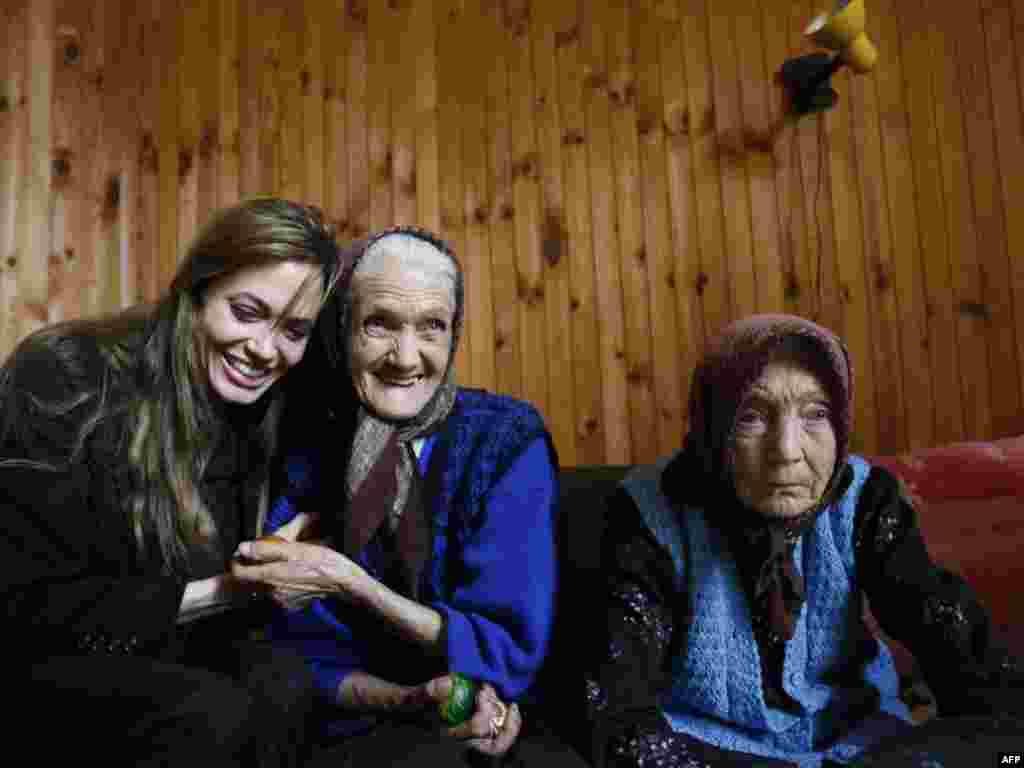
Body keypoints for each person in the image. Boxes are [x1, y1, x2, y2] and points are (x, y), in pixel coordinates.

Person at [582, 314, 1024, 767]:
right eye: (751, 416)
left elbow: (962, 649)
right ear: (712, 426)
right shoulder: (650, 514)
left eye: (816, 415)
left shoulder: (864, 501)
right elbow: (616, 708)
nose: (788, 451)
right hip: (705, 754)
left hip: (861, 747)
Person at [1, 198, 343, 767]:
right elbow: (28, 604)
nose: (263, 349)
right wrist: (233, 589)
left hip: (156, 652)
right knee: (208, 711)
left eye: (293, 330)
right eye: (247, 310)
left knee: (283, 682)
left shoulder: (267, 409)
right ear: (198, 289)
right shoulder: (65, 376)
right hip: (33, 659)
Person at [231, 226, 589, 767]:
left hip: (476, 719)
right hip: (346, 712)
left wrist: (348, 581)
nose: (406, 356)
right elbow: (292, 647)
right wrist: (406, 701)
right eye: (380, 324)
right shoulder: (306, 445)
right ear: (343, 328)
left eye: (432, 327)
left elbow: (504, 652)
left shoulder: (505, 443)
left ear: (454, 335)